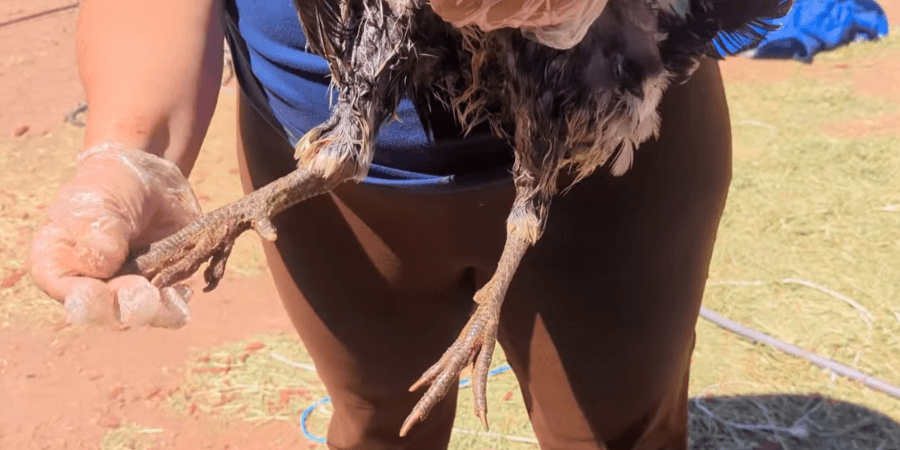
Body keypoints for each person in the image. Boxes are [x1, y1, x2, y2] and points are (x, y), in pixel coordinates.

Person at [29, 0, 733, 448]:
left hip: (606, 145)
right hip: (327, 152)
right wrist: (129, 152)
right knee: (380, 428)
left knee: (617, 435)